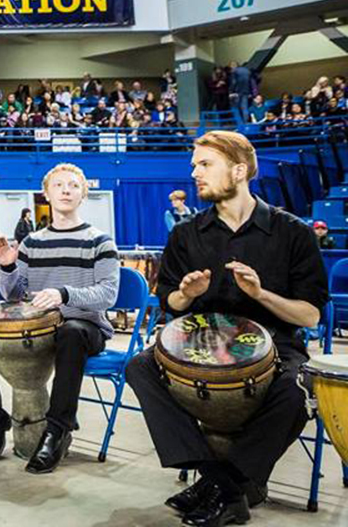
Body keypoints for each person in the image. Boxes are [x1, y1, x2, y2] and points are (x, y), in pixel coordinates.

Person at [126, 131, 329, 526]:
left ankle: (221, 485)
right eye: (194, 165)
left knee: (298, 389)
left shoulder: (294, 233)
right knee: (140, 367)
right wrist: (186, 294)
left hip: (275, 347)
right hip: (199, 345)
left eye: (205, 164)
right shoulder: (185, 234)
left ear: (239, 170)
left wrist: (261, 294)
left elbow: (310, 316)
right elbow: (169, 301)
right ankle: (224, 482)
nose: (194, 173)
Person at [0, 163, 118, 473]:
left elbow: (108, 295)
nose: (66, 190)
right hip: (39, 327)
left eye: (73, 185)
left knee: (71, 331)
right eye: (58, 185)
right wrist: (6, 266)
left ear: (83, 194)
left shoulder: (100, 241)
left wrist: (64, 294)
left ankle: (57, 429)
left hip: (84, 328)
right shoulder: (32, 242)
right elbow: (13, 295)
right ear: (46, 194)